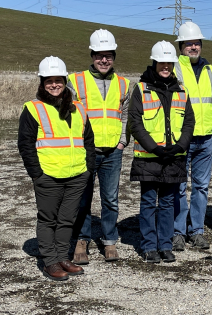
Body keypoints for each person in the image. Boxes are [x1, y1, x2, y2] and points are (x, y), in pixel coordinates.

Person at [18, 56, 95, 281]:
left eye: (58, 80)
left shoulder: (78, 108)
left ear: (65, 80)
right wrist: (37, 174)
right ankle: (49, 261)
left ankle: (63, 257)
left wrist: (88, 168)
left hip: (77, 174)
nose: (54, 84)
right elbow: (25, 144)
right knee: (48, 219)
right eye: (49, 80)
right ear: (42, 83)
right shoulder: (33, 108)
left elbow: (88, 141)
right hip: (48, 176)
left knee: (67, 219)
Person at [128, 41, 195, 263]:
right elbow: (135, 123)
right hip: (149, 157)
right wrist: (154, 148)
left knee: (168, 202)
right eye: (162, 63)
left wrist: (180, 146)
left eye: (169, 63)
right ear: (155, 62)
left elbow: (189, 122)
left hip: (174, 156)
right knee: (148, 202)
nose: (166, 66)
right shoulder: (141, 89)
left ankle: (165, 245)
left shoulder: (182, 90)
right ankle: (149, 246)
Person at [70, 29, 130, 264]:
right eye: (99, 55)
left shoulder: (124, 83)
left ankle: (109, 241)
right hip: (85, 151)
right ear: (92, 55)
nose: (104, 60)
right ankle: (81, 240)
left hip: (113, 151)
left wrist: (123, 142)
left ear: (114, 56)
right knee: (82, 198)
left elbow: (125, 116)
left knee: (111, 199)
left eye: (109, 55)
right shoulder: (75, 81)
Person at [172, 22, 212, 251]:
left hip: (205, 138)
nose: (193, 47)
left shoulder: (211, 71)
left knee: (201, 187)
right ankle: (178, 231)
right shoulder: (173, 68)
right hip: (182, 138)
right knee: (179, 187)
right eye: (188, 43)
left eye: (196, 43)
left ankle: (197, 231)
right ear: (180, 46)